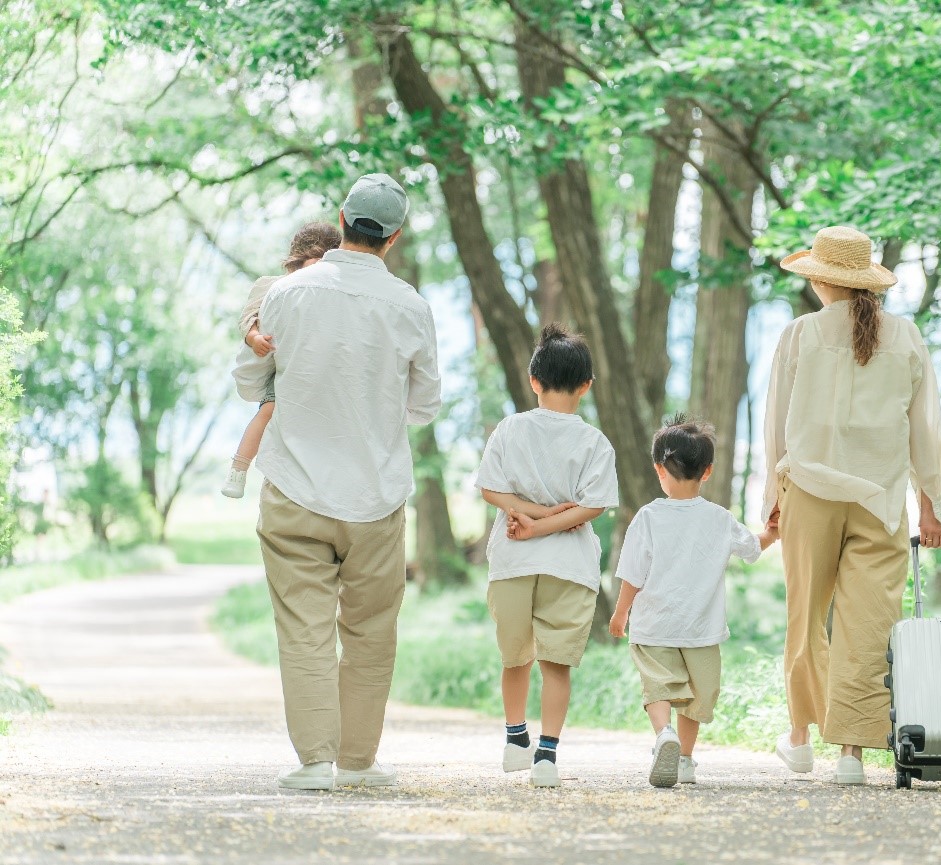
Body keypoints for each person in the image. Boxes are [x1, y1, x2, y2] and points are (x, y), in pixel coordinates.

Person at [232, 173, 441, 791]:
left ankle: (315, 762)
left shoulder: (287, 293)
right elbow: (424, 406)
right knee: (371, 632)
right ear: (394, 237)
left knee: (304, 627)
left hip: (294, 487)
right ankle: (358, 762)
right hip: (376, 495)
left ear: (341, 218)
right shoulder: (412, 306)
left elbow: (250, 381)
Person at [763, 226, 941, 785]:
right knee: (869, 626)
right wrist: (931, 504)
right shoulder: (906, 336)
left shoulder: (800, 335)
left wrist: (772, 501)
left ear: (820, 278)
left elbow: (775, 428)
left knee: (807, 620)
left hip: (811, 495)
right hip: (880, 500)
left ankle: (799, 739)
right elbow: (925, 433)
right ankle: (851, 755)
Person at [474, 324, 619, 788]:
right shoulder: (595, 442)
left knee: (514, 657)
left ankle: (515, 738)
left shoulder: (510, 429)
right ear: (586, 386)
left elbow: (489, 489)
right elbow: (592, 506)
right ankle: (547, 757)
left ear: (534, 380)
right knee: (556, 664)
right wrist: (546, 519)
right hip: (569, 566)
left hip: (514, 561)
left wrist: (528, 518)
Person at [609, 415, 778, 788]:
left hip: (655, 625)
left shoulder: (649, 517)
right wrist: (771, 533)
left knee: (659, 686)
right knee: (697, 697)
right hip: (701, 628)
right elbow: (752, 548)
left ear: (659, 470)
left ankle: (662, 735)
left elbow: (632, 573)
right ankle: (684, 759)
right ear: (707, 471)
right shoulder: (719, 519)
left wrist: (621, 613)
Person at [222, 222, 341, 498]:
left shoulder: (335, 291)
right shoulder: (272, 286)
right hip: (286, 366)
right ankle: (238, 470)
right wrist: (254, 338)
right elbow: (247, 317)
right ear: (295, 262)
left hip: (320, 370)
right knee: (268, 411)